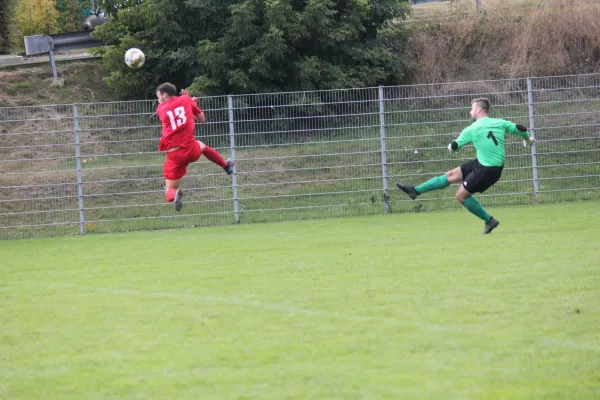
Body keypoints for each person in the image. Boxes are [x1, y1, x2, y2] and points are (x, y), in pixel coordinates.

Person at [395, 98, 535, 234]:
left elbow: (454, 147)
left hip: (487, 170)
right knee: (450, 175)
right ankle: (414, 191)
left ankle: (489, 220)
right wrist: (527, 139)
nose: (470, 112)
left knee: (461, 196)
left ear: (479, 110)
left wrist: (450, 147)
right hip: (483, 163)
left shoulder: (472, 129)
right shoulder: (499, 122)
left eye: (472, 109)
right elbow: (520, 128)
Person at [155, 83, 235, 211]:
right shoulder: (185, 100)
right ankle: (226, 166)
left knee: (169, 190)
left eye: (158, 97)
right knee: (201, 145)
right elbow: (202, 119)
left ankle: (175, 195)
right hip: (191, 150)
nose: (158, 100)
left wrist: (188, 102)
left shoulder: (160, 109)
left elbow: (175, 115)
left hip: (174, 155)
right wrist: (191, 102)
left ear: (164, 95)